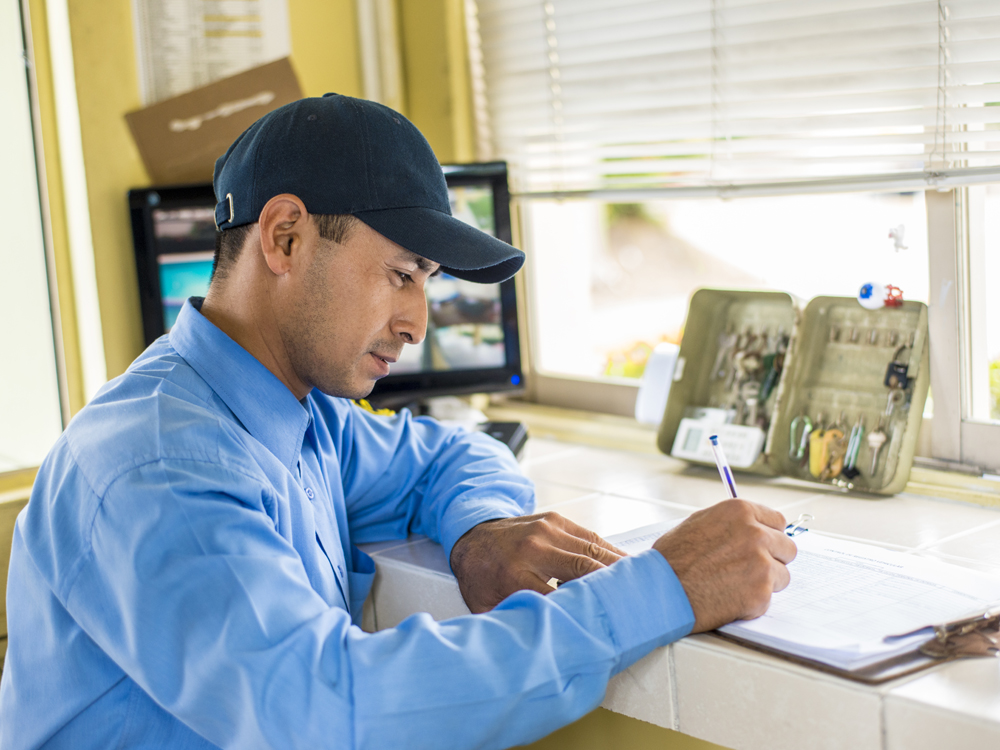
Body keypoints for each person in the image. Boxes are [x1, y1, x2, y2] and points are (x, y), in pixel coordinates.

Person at [0, 94, 796, 749]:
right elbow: (325, 710)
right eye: (400, 275)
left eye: (429, 281)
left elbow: (455, 455)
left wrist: (479, 531)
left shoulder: (301, 416)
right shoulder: (161, 464)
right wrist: (661, 589)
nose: (418, 321)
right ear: (285, 237)